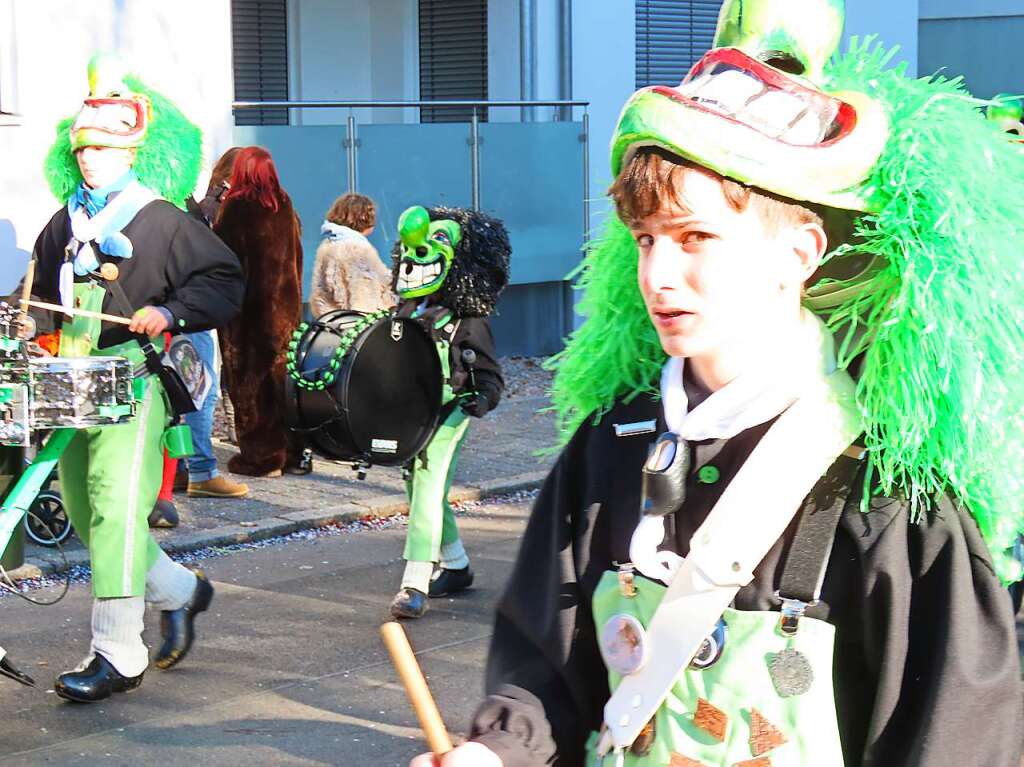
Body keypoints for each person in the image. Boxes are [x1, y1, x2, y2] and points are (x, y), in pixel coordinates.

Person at [412, 1, 1024, 764]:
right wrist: (494, 751)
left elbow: (957, 737)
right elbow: (547, 670)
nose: (658, 275)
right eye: (645, 239)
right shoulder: (610, 444)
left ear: (798, 251)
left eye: (696, 237)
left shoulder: (892, 495)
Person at [19, 54, 244, 702]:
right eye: (83, 148)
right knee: (90, 515)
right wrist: (31, 325)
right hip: (71, 381)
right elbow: (39, 291)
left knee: (117, 506)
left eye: (104, 147)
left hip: (133, 379)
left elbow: (225, 281)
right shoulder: (65, 220)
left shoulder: (164, 219)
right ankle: (183, 590)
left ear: (132, 149)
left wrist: (169, 310)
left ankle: (118, 652)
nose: (91, 158)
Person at [388, 205, 510, 620]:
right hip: (413, 412)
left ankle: (414, 582)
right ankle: (456, 565)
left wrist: (481, 400)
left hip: (451, 411)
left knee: (426, 482)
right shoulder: (405, 312)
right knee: (418, 488)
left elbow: (491, 375)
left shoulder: (469, 321)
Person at [214, 146, 308, 477]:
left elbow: (223, 259)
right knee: (284, 383)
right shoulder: (283, 203)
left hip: (248, 312)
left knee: (249, 384)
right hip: (286, 309)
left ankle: (263, 456)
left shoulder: (236, 206)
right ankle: (295, 453)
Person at [177, 146, 249, 499]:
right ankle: (201, 471)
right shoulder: (192, 208)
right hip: (190, 312)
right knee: (199, 391)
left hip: (187, 311)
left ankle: (184, 468)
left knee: (187, 392)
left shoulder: (192, 206)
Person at [308, 192, 393, 317]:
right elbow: (364, 298)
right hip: (356, 328)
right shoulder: (357, 249)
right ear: (364, 217)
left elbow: (319, 295)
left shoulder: (328, 244)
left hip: (333, 325)